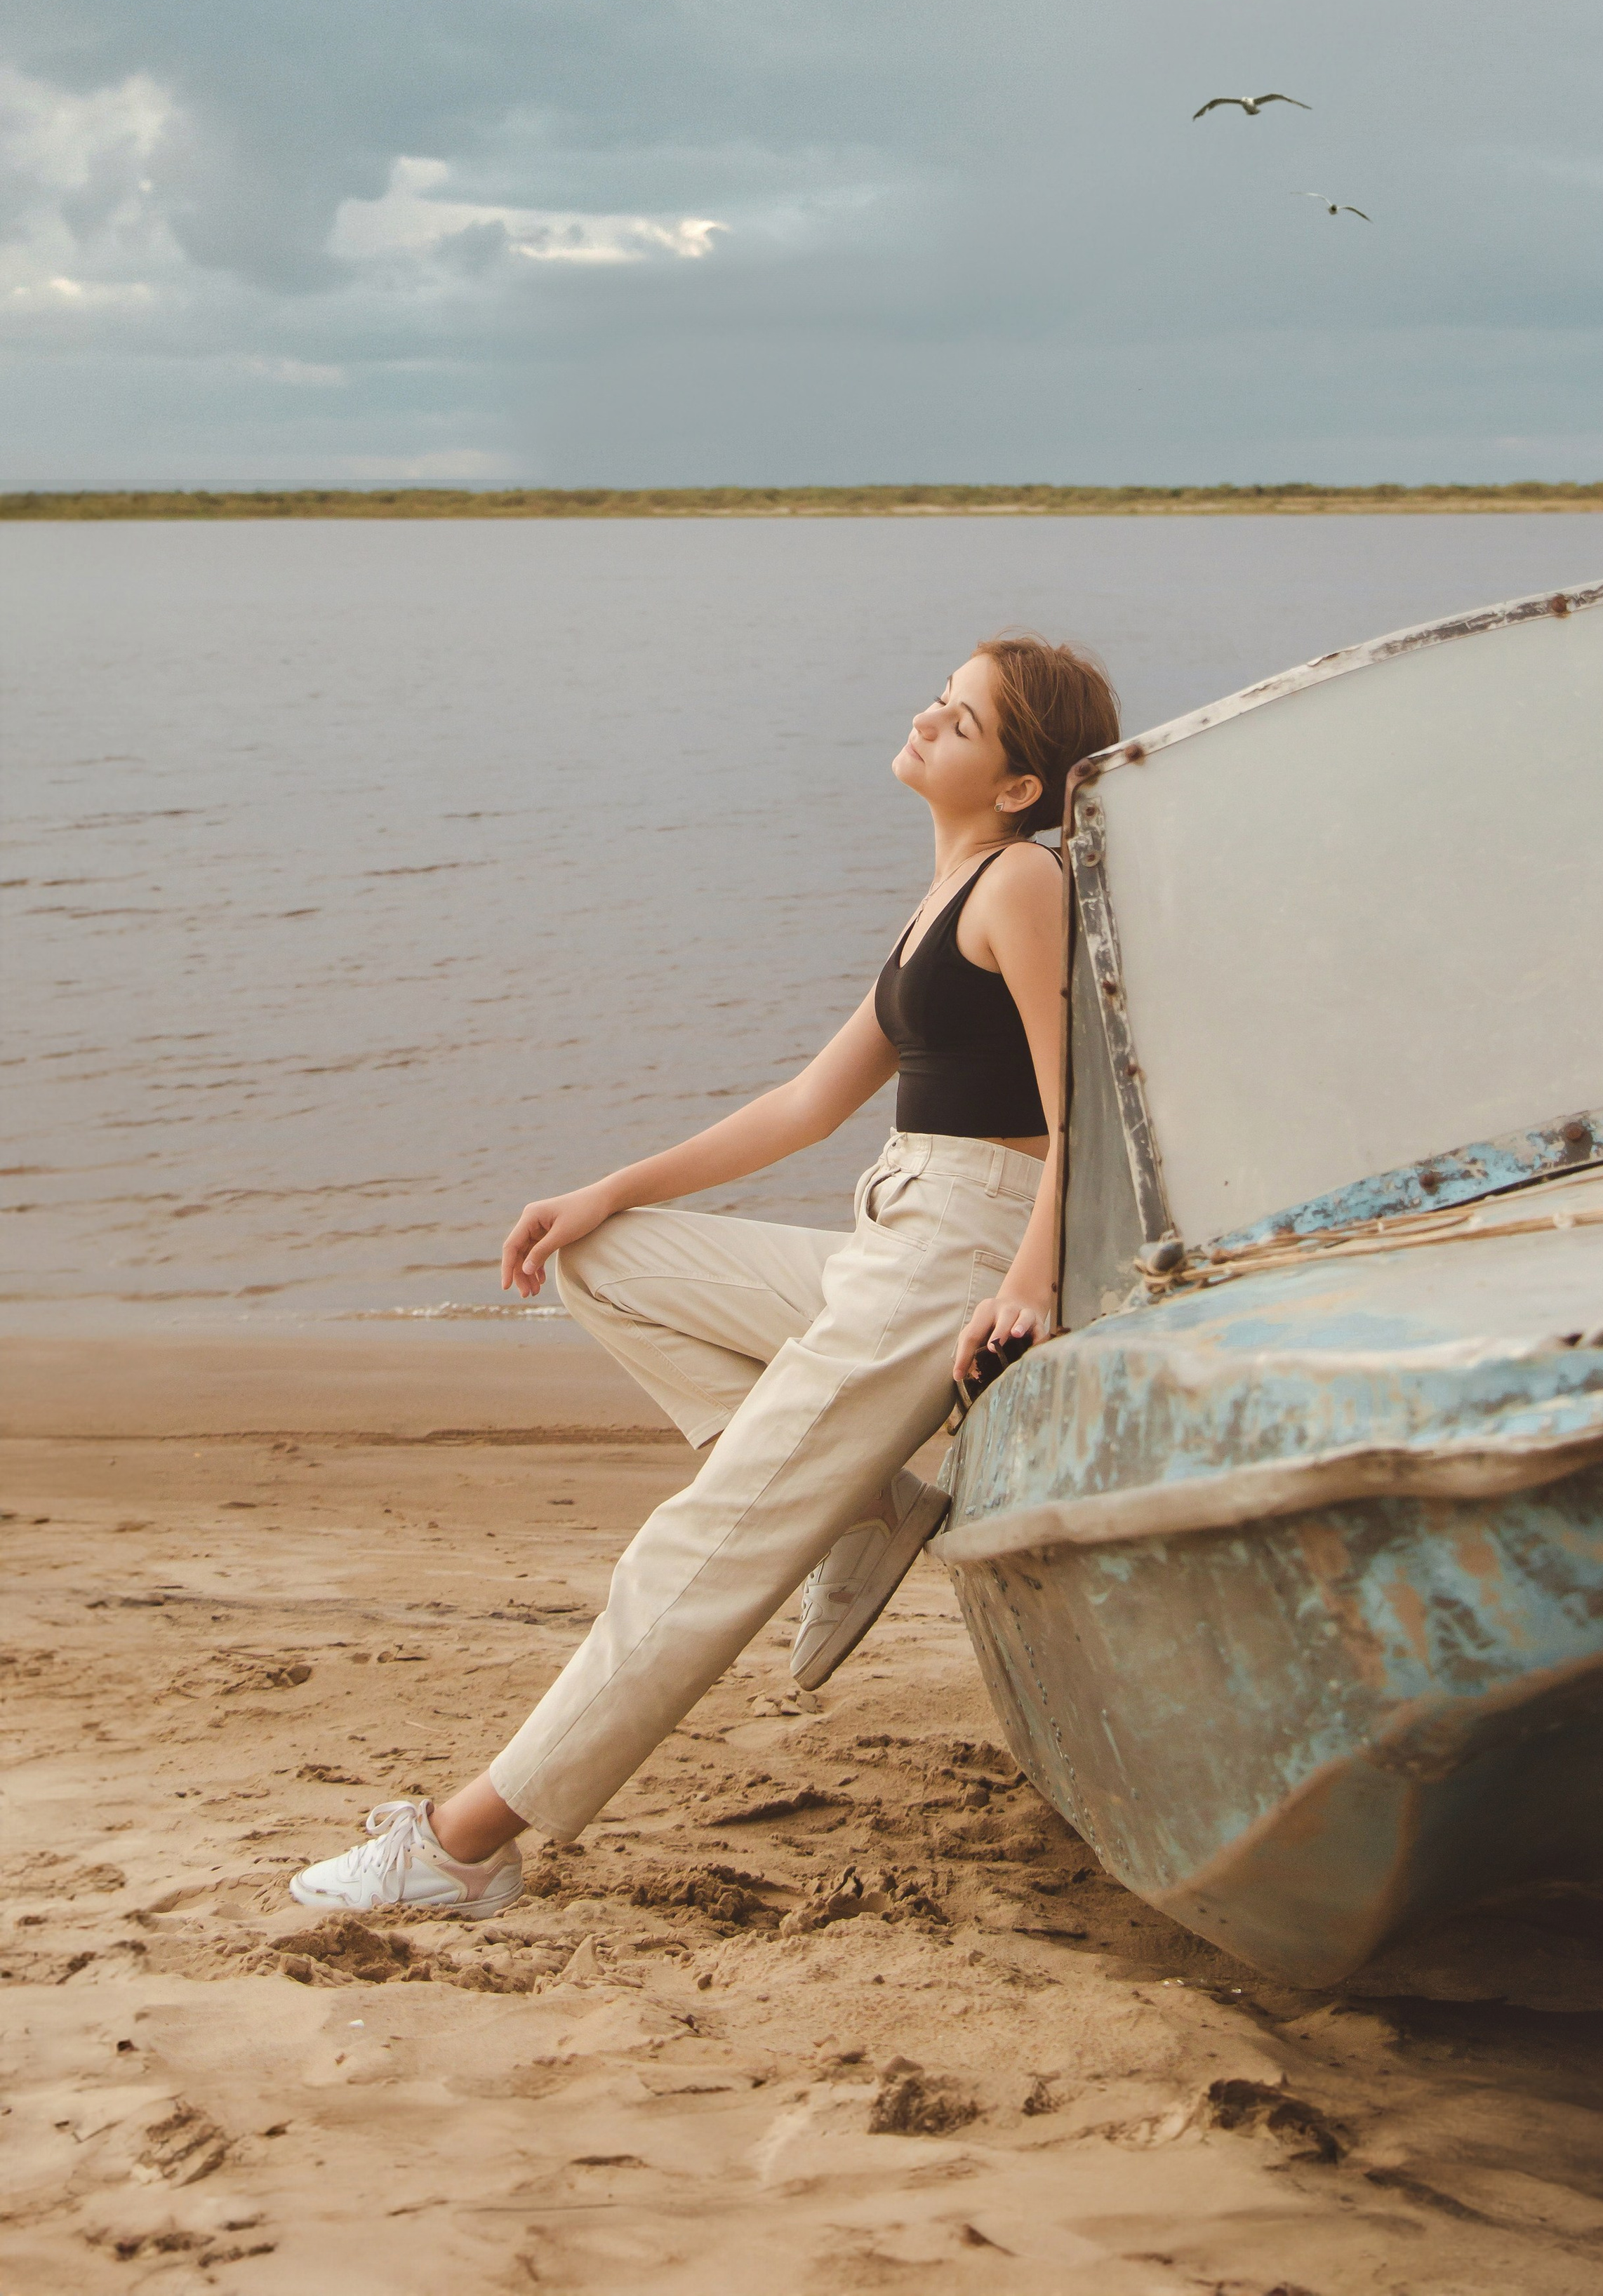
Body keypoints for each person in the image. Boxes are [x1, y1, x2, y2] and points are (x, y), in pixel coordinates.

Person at [291, 633, 1120, 1919]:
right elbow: (803, 1105)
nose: (927, 715)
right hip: (896, 1242)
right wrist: (609, 1187)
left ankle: (464, 1846)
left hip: (960, 1256)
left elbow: (1085, 1116)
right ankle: (861, 1506)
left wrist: (1030, 1279)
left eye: (959, 718)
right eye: (941, 698)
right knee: (605, 1256)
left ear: (1019, 782)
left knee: (706, 1538)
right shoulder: (941, 897)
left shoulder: (1022, 881)